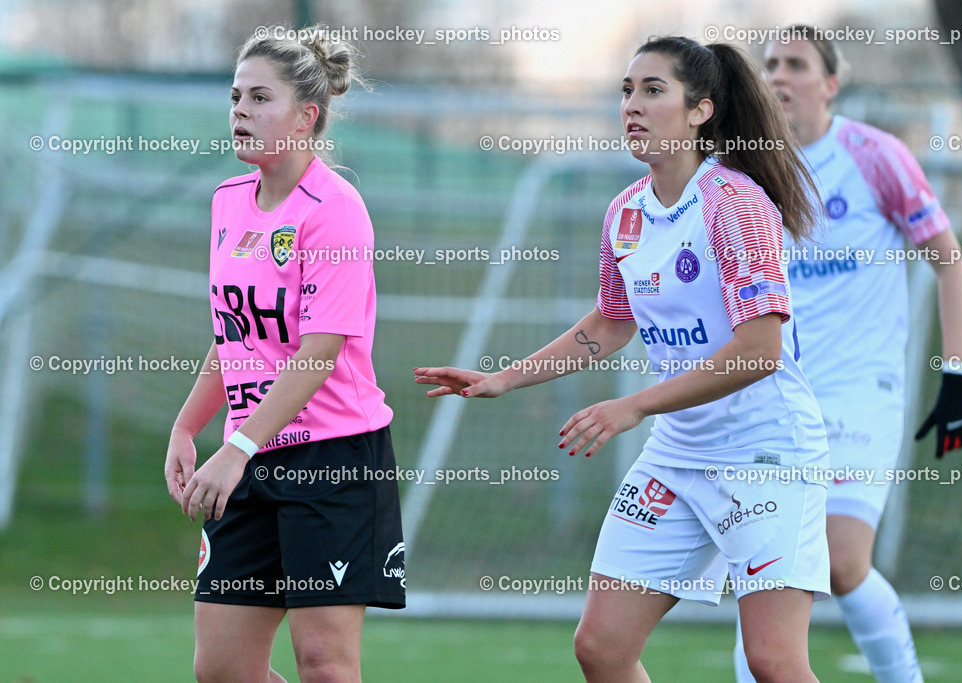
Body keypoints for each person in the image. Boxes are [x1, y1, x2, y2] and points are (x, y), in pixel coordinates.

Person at [416, 36, 832, 683]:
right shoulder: (626, 213)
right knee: (602, 646)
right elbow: (611, 321)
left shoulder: (734, 203)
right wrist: (503, 378)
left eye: (653, 90)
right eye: (626, 91)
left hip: (765, 454)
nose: (632, 106)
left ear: (701, 110)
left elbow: (760, 351)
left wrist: (632, 404)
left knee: (774, 661)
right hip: (678, 455)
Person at [733, 26, 962, 683]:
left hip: (860, 393)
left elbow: (950, 263)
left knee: (840, 563)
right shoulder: (745, 174)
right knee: (767, 568)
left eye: (796, 64)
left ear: (830, 84)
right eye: (770, 64)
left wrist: (956, 378)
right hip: (775, 395)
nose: (778, 75)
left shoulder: (875, 155)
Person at [164, 25, 404, 683]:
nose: (240, 110)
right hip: (249, 454)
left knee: (323, 664)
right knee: (223, 669)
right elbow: (235, 336)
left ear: (306, 117)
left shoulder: (336, 210)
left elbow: (319, 349)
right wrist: (188, 426)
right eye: (236, 95)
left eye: (259, 98)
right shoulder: (227, 202)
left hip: (333, 456)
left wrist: (235, 446)